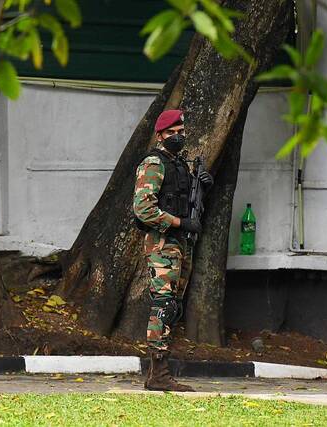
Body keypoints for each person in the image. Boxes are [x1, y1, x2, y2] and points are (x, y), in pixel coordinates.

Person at [132, 109, 213, 392]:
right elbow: (143, 209)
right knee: (164, 304)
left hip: (181, 244)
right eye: (171, 133)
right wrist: (179, 222)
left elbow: (184, 200)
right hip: (162, 243)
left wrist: (202, 186)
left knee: (173, 306)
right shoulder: (154, 163)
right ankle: (158, 373)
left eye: (181, 132)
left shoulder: (180, 164)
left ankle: (161, 371)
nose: (177, 137)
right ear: (159, 135)